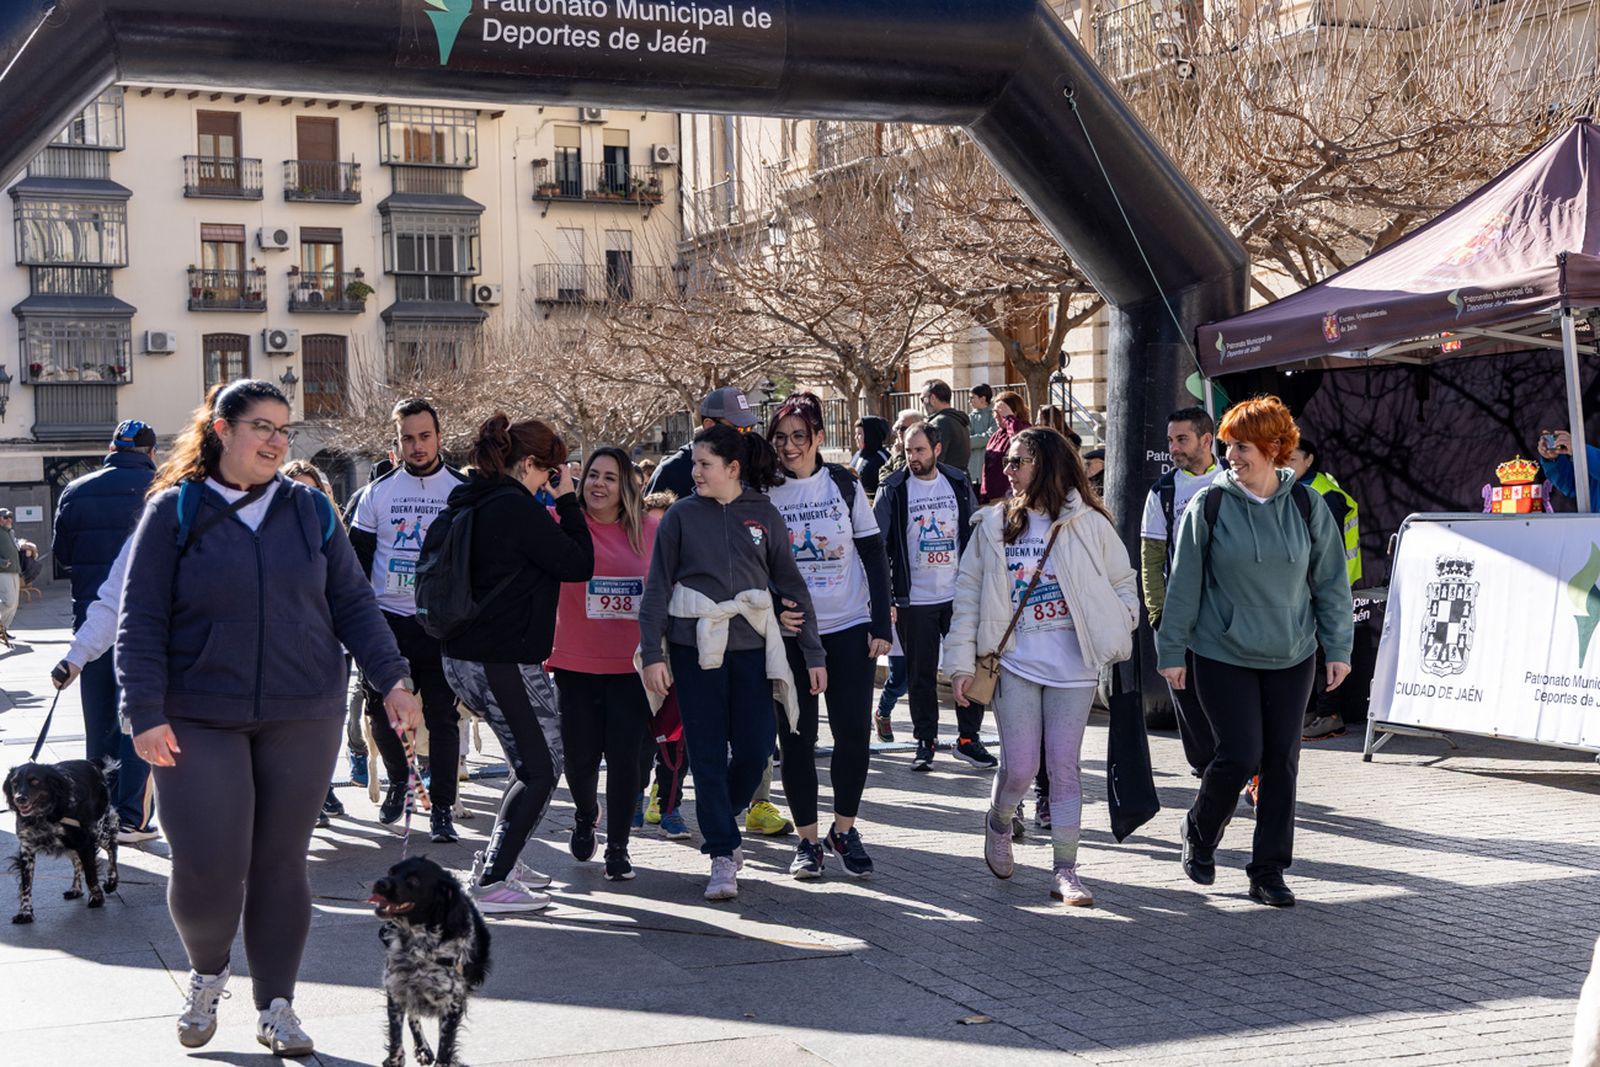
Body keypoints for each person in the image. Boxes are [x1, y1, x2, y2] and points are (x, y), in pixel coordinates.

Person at [116, 379, 422, 1055]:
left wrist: (392, 677)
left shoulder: (311, 509)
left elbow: (353, 603)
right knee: (207, 867)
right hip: (197, 714)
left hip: (302, 710)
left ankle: (276, 1005)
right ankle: (206, 971)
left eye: (285, 428)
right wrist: (143, 711)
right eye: (262, 426)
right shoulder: (175, 510)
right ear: (221, 430)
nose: (277, 440)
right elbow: (140, 622)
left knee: (282, 862)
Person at [1156, 395, 1354, 908]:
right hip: (1222, 651)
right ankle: (1200, 830)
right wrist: (1171, 651)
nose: (1231, 457)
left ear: (1273, 447)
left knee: (1281, 762)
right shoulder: (1211, 504)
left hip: (1292, 654)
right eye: (1228, 447)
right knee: (1240, 753)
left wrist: (1338, 646)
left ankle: (1268, 871)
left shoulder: (1308, 505)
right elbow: (1183, 584)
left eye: (1241, 447)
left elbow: (1330, 583)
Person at [946, 428, 1139, 906]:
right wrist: (959, 664)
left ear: (1046, 464)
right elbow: (967, 595)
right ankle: (999, 819)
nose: (1007, 470)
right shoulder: (993, 525)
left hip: (1074, 666)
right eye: (1008, 462)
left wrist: (1117, 624)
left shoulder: (1088, 523)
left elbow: (1123, 584)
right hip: (1014, 661)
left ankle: (1066, 870)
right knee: (1020, 768)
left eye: (1018, 461)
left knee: (1064, 769)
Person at [639, 425, 826, 901]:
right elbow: (657, 588)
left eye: (704, 465)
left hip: (751, 649)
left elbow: (790, 582)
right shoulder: (680, 516)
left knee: (756, 746)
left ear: (733, 468)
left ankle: (726, 809)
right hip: (692, 648)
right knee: (703, 752)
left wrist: (812, 650)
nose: (695, 472)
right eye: (695, 464)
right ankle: (722, 852)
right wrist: (654, 655)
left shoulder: (764, 513)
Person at [438, 414, 595, 912]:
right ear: (530, 464)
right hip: (499, 658)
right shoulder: (513, 506)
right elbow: (578, 563)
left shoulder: (472, 496)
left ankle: (504, 856)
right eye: (548, 470)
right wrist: (567, 496)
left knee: (534, 759)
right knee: (540, 768)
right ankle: (491, 882)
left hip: (468, 655)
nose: (551, 477)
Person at [766, 394, 893, 879]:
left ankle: (844, 828)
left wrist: (881, 622)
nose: (790, 446)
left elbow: (873, 551)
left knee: (854, 735)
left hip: (849, 626)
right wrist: (777, 609)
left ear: (819, 437)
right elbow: (756, 565)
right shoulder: (765, 490)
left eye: (800, 436)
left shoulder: (842, 483)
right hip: (794, 632)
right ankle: (808, 841)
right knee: (797, 738)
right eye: (781, 438)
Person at [350, 398, 468, 843]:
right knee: (382, 710)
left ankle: (441, 808)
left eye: (424, 436)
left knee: (442, 717)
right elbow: (357, 562)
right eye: (407, 439)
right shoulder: (376, 493)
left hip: (438, 624)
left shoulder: (459, 490)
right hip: (386, 621)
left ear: (439, 437)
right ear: (395, 444)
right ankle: (399, 780)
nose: (417, 446)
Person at [550, 446, 657, 882]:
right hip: (575, 662)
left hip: (630, 666)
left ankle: (618, 847)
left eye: (610, 477)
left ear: (626, 485)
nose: (598, 484)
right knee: (579, 759)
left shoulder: (650, 530)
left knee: (626, 759)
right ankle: (583, 813)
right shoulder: (564, 523)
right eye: (593, 475)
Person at [49, 418, 159, 841]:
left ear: (111, 449)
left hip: (91, 621)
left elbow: (62, 555)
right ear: (150, 453)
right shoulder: (163, 494)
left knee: (100, 720)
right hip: (146, 628)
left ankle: (96, 810)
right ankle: (130, 814)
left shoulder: (76, 490)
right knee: (140, 715)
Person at [873, 423, 986, 770]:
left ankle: (969, 739)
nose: (913, 458)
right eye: (908, 451)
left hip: (958, 594)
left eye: (920, 450)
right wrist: (886, 597)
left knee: (968, 665)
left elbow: (974, 530)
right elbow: (876, 545)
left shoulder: (956, 481)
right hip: (915, 599)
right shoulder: (893, 488)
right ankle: (926, 742)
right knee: (920, 674)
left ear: (936, 449)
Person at [1140, 406, 1220, 769]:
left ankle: (1237, 765)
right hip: (1180, 614)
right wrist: (1158, 615)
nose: (1173, 448)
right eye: (1170, 440)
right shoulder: (1163, 491)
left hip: (1227, 614)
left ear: (1207, 439)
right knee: (1187, 697)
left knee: (1224, 694)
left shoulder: (1232, 482)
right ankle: (1205, 766)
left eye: (1182, 439)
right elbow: (1151, 558)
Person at [1288, 436, 1362, 741]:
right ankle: (1313, 711)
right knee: (1311, 651)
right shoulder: (1296, 489)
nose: (1284, 464)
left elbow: (1324, 550)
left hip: (1330, 585)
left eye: (1292, 459)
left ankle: (1329, 715)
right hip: (1309, 585)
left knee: (1325, 651)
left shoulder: (1323, 494)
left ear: (1309, 460)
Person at [636, 489, 692, 840]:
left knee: (676, 744)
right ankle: (634, 800)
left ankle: (671, 806)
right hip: (633, 664)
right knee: (639, 743)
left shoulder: (684, 567)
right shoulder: (631, 558)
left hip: (675, 659)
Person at [644, 385, 760, 499]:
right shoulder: (671, 471)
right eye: (738, 429)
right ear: (709, 425)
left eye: (748, 428)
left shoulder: (753, 465)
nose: (744, 435)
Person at [980, 391, 1031, 504]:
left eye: (1000, 412)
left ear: (1015, 412)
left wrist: (1009, 419)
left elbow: (1018, 441)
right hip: (992, 496)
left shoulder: (1024, 428)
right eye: (994, 412)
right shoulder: (996, 435)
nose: (995, 416)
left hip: (1010, 496)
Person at [921, 378, 972, 473]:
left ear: (932, 398)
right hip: (960, 479)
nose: (922, 404)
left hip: (945, 481)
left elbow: (935, 460)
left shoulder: (940, 422)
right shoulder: (958, 419)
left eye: (922, 399)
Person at [851, 415, 892, 498]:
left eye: (859, 434)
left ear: (870, 435)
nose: (856, 438)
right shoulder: (858, 455)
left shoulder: (882, 458)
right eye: (856, 434)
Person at [966, 383, 997, 485]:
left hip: (989, 463)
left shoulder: (995, 415)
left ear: (983, 399)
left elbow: (990, 436)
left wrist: (967, 441)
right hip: (972, 467)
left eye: (972, 398)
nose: (969, 401)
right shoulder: (970, 417)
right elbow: (964, 435)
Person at [881, 408, 924, 477]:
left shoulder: (922, 450)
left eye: (903, 428)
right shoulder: (900, 447)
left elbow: (902, 476)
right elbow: (883, 473)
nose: (899, 432)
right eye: (897, 428)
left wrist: (898, 455)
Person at [0, 508, 24, 635]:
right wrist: (2, 563)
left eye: (10, 517)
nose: (9, 519)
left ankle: (3, 628)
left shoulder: (11, 532)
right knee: (8, 601)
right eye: (5, 517)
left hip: (14, 570)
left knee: (14, 604)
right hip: (2, 572)